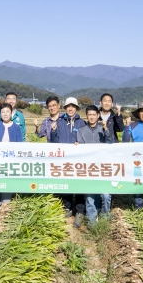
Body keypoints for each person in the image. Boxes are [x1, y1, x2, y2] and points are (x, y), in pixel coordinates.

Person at [50, 97, 87, 227]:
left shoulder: (81, 123)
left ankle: (80, 210)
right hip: (63, 160)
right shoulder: (59, 122)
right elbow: (53, 143)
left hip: (78, 160)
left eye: (73, 106)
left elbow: (85, 141)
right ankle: (67, 207)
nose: (70, 108)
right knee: (64, 182)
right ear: (65, 108)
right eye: (68, 106)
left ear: (76, 108)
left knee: (79, 184)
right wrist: (53, 131)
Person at [77, 105, 115, 227]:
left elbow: (110, 143)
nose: (92, 117)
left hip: (103, 168)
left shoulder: (103, 128)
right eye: (89, 115)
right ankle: (92, 222)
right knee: (89, 196)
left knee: (106, 195)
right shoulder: (81, 131)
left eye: (94, 114)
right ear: (86, 116)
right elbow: (81, 150)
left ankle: (104, 218)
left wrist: (106, 129)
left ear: (98, 116)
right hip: (88, 169)